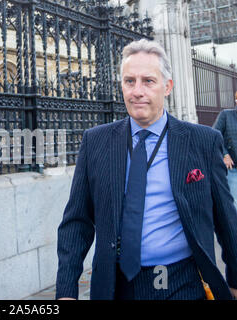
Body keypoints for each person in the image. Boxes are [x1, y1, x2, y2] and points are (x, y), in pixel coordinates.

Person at [56, 39, 237, 300]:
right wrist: (65, 291)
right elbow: (77, 222)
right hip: (115, 285)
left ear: (167, 87)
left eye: (148, 81)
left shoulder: (203, 142)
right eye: (130, 81)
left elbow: (226, 219)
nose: (137, 91)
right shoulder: (95, 141)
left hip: (181, 282)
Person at [213, 91, 237, 205]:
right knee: (234, 202)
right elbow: (214, 136)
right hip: (233, 168)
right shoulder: (226, 115)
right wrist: (225, 154)